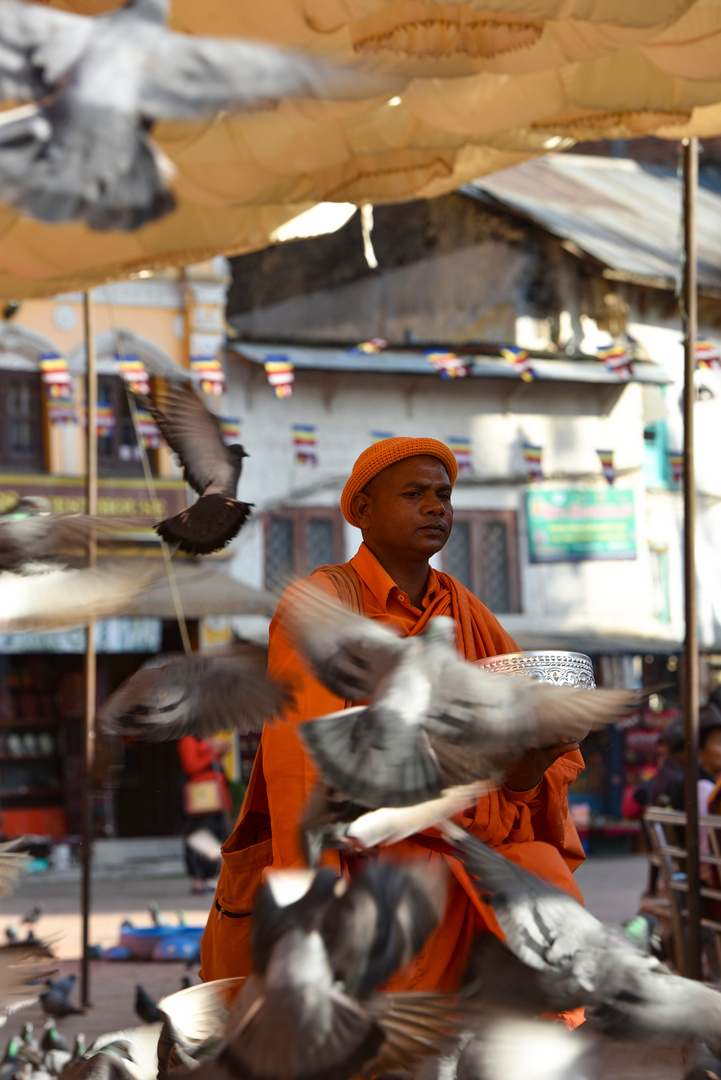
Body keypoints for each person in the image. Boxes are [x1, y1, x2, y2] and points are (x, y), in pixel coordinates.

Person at [200, 437, 586, 1023]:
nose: (436, 507)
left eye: (443, 495)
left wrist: (530, 768)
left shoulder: (467, 611)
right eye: (415, 494)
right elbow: (303, 772)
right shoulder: (323, 606)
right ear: (362, 511)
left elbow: (525, 766)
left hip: (470, 890)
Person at [177, 734, 232, 895]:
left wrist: (219, 751)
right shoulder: (187, 739)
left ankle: (208, 879)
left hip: (214, 797)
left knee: (216, 835)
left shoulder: (205, 738)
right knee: (200, 835)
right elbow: (191, 765)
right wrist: (213, 753)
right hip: (200, 796)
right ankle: (198, 881)